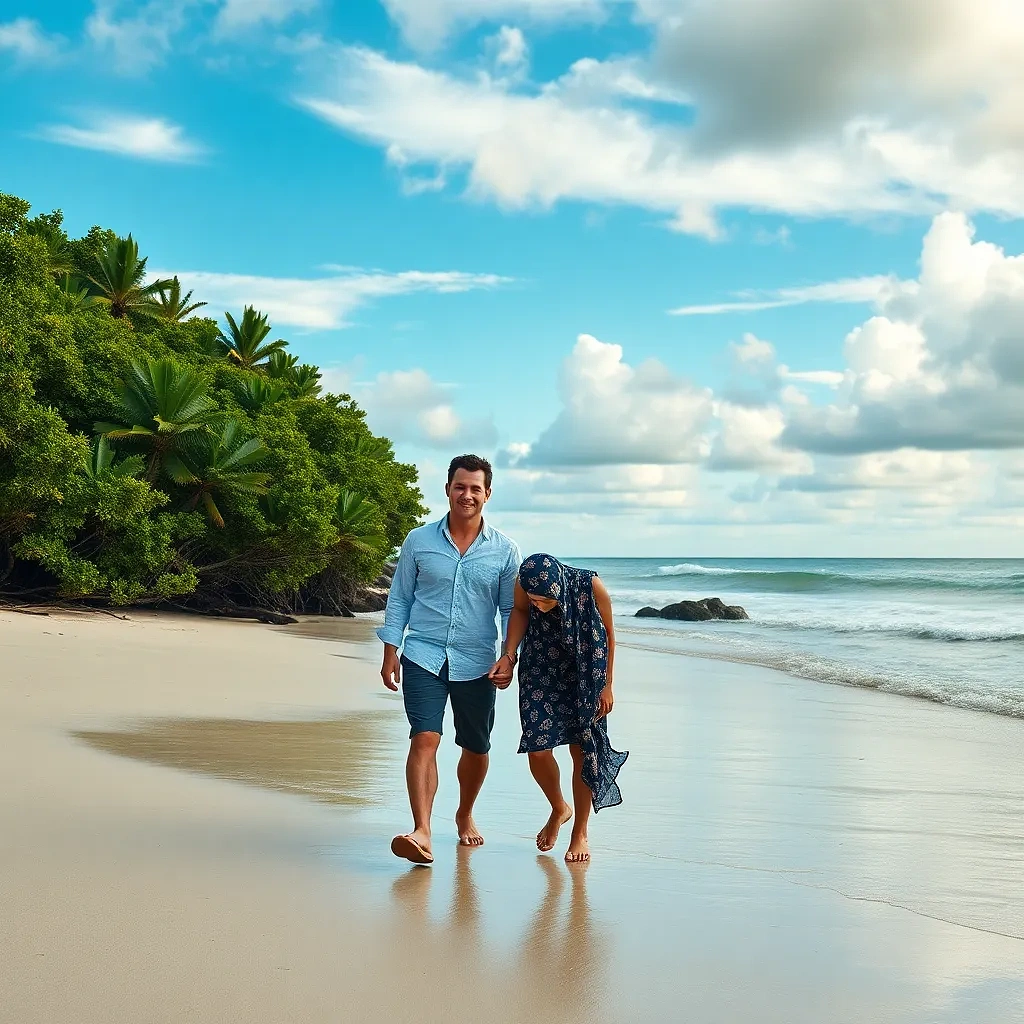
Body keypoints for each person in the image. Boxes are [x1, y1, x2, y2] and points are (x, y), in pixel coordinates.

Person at [378, 454, 521, 865]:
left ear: (487, 494)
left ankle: (463, 814)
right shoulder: (418, 541)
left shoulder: (505, 550)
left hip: (477, 661)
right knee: (425, 737)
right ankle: (422, 830)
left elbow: (511, 610)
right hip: (422, 654)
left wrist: (509, 656)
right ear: (447, 489)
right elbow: (400, 596)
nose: (467, 495)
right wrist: (391, 650)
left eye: (476, 488)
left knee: (475, 746)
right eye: (460, 486)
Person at [489, 553, 628, 862]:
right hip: (539, 667)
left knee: (582, 749)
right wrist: (509, 656)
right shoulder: (524, 585)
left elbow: (608, 635)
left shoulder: (591, 586)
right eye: (534, 599)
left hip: (584, 670)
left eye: (545, 601)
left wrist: (607, 686)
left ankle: (580, 832)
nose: (539, 605)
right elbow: (520, 613)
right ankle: (558, 807)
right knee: (537, 746)